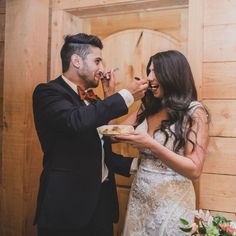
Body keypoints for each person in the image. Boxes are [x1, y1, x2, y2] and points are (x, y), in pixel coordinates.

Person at [32, 33, 148, 236]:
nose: (102, 69)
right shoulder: (47, 93)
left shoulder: (93, 101)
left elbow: (100, 145)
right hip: (66, 208)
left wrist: (138, 165)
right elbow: (75, 121)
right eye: (97, 61)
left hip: (101, 205)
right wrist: (126, 95)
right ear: (76, 61)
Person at [114, 50, 210, 236]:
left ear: (172, 74)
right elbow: (113, 135)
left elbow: (194, 169)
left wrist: (150, 144)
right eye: (149, 71)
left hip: (172, 201)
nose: (149, 78)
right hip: (140, 197)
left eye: (155, 72)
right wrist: (116, 95)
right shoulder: (148, 106)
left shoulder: (194, 112)